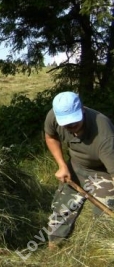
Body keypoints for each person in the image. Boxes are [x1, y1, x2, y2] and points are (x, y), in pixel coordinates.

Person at [44, 91, 114, 248]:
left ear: (82, 109)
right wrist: (62, 165)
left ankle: (100, 252)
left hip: (102, 172)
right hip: (75, 167)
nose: (70, 127)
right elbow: (51, 137)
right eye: (66, 124)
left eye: (74, 123)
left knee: (105, 217)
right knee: (61, 212)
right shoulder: (54, 116)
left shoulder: (104, 134)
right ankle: (54, 250)